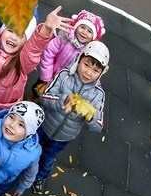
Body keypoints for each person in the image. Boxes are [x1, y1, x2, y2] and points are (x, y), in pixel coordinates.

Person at [35, 41, 108, 183]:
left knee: (48, 158)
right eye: (86, 65)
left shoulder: (97, 95)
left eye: (95, 70)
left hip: (63, 137)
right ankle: (24, 171)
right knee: (30, 148)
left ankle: (40, 178)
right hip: (44, 125)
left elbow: (98, 125)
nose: (88, 72)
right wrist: (62, 101)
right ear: (79, 59)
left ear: (101, 73)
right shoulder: (64, 76)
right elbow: (45, 98)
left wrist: (89, 114)